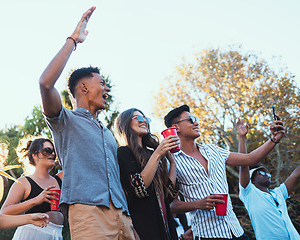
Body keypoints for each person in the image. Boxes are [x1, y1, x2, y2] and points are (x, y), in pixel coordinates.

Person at [38, 7, 136, 239]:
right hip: (88, 213)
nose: (107, 89)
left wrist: (129, 224)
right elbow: (45, 83)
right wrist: (73, 40)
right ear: (83, 87)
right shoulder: (65, 121)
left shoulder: (109, 134)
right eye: (101, 83)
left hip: (122, 215)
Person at [164, 105, 285, 240]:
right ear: (176, 128)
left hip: (236, 232)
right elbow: (172, 206)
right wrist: (197, 204)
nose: (196, 122)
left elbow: (249, 159)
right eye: (191, 120)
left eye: (196, 119)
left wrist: (274, 139)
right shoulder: (171, 162)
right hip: (207, 235)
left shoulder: (213, 150)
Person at [115, 108, 181, 240]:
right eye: (138, 118)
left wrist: (172, 163)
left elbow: (169, 196)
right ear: (125, 123)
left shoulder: (152, 154)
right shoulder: (124, 153)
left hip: (166, 230)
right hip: (144, 229)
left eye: (145, 118)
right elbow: (139, 188)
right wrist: (158, 153)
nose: (144, 120)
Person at [237, 118, 300, 240]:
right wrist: (242, 137)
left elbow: (296, 174)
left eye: (269, 174)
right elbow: (243, 164)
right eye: (261, 173)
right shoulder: (249, 193)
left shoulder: (278, 193)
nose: (267, 175)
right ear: (252, 180)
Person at [1, 137, 64, 240]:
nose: (53, 154)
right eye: (48, 150)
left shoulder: (60, 179)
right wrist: (36, 200)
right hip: (31, 234)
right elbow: (4, 213)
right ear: (35, 155)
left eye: (54, 151)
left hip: (57, 234)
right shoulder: (24, 182)